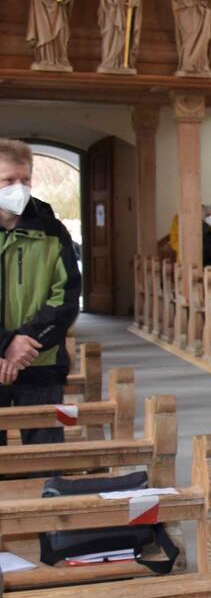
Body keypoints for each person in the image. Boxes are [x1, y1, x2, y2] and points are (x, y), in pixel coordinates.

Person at [0, 139, 81, 445]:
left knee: (46, 459)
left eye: (25, 180)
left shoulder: (52, 231)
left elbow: (67, 297)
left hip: (41, 361)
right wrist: (6, 345)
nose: (18, 188)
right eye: (8, 180)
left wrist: (23, 344)